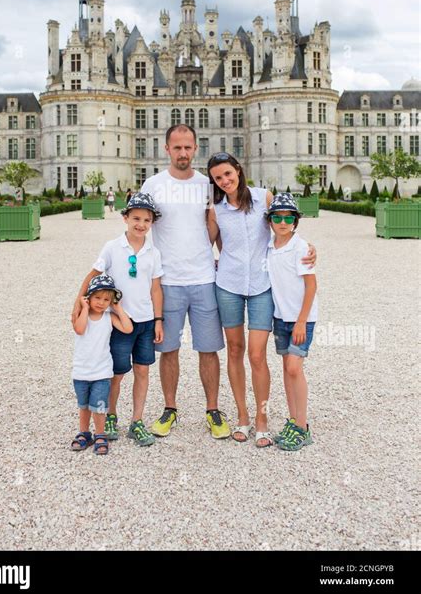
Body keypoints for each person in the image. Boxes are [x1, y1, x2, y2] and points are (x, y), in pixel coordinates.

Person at [207, 152, 316, 447]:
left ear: (239, 171)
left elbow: (285, 227)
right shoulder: (216, 209)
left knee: (256, 355)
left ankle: (262, 417)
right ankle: (242, 416)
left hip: (261, 286)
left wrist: (308, 248)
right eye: (218, 178)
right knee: (234, 351)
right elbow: (205, 243)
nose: (225, 181)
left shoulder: (263, 197)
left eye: (228, 174)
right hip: (227, 285)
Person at [141, 124, 230, 440]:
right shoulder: (152, 185)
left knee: (209, 350)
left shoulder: (208, 185)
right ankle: (170, 408)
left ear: (196, 148)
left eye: (188, 147)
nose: (182, 153)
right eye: (177, 148)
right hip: (167, 281)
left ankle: (212, 409)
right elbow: (138, 229)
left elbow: (222, 227)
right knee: (169, 349)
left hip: (204, 278)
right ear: (166, 149)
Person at [72, 193, 164, 446]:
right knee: (116, 374)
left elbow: (156, 288)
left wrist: (158, 320)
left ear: (152, 223)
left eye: (146, 220)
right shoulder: (112, 247)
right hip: (121, 322)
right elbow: (92, 275)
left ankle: (137, 421)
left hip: (145, 321)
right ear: (125, 218)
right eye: (136, 218)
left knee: (143, 371)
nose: (141, 224)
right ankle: (111, 415)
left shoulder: (153, 252)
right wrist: (76, 305)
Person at [266, 193, 318, 451]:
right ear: (270, 221)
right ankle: (293, 419)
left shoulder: (300, 247)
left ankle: (303, 426)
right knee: (287, 369)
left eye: (288, 218)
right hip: (280, 318)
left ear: (296, 221)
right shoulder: (269, 246)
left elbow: (311, 286)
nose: (283, 222)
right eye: (277, 217)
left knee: (295, 369)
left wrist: (301, 321)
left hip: (300, 321)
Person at [71, 274, 133, 456]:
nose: (101, 302)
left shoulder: (108, 317)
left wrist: (118, 308)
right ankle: (84, 433)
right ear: (88, 297)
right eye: (97, 297)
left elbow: (128, 328)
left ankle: (100, 434)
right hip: (81, 372)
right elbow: (80, 329)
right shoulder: (81, 316)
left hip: (101, 372)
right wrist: (83, 307)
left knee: (99, 407)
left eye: (106, 299)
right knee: (83, 406)